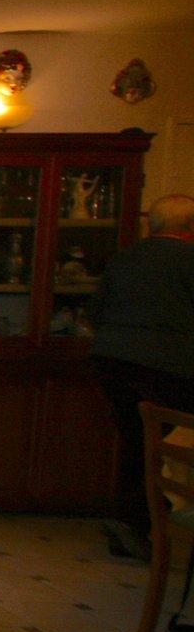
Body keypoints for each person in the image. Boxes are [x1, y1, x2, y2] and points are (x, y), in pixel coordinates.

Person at [91, 194, 194, 557]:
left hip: (112, 361)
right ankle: (147, 519)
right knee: (161, 445)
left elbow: (96, 310)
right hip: (169, 366)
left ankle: (132, 521)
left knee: (138, 440)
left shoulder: (125, 257)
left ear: (151, 223)